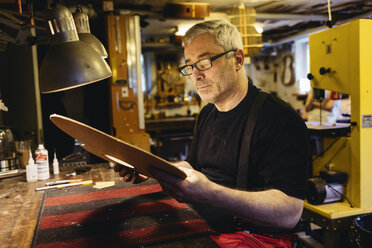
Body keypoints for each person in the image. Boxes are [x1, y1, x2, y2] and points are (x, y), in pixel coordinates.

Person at [115, 19, 310, 247]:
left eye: (205, 62)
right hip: (205, 225)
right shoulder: (207, 114)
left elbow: (290, 213)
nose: (195, 75)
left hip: (254, 237)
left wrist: (210, 193)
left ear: (237, 59)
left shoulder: (278, 118)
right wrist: (152, 169)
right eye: (189, 66)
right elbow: (194, 168)